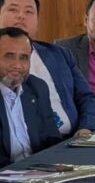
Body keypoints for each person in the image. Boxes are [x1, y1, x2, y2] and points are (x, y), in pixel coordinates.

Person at [0, 0, 95, 136]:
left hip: (73, 138)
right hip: (28, 145)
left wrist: (86, 127)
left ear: (37, 21)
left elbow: (87, 97)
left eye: (29, 11)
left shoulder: (59, 54)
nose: (21, 16)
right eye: (13, 10)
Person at [0, 27, 61, 167]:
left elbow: (51, 138)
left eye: (24, 58)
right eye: (9, 56)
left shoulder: (37, 87)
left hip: (40, 170)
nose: (17, 65)